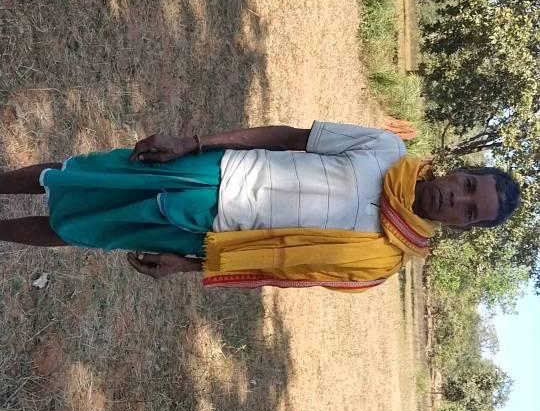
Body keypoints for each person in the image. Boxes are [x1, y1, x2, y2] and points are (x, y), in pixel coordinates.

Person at [0, 121, 520, 292]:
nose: (458, 198)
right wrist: (192, 142)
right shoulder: (385, 148)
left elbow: (287, 274)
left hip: (211, 232)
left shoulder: (380, 262)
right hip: (214, 171)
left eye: (469, 211)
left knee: (80, 229)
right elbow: (288, 136)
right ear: (459, 171)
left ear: (461, 227)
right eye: (468, 184)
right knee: (75, 176)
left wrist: (189, 265)